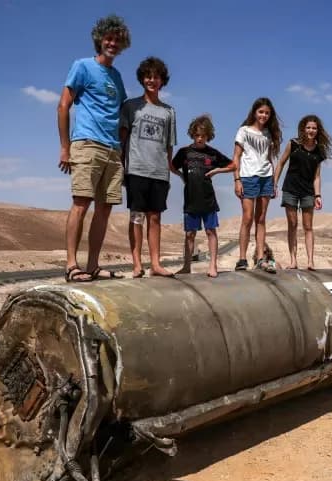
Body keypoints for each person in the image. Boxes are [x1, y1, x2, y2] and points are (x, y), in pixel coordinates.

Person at [57, 14, 130, 282]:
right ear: (100, 40)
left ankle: (93, 265)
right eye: (109, 38)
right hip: (87, 143)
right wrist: (65, 148)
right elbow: (63, 105)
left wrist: (122, 152)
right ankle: (71, 265)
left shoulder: (117, 77)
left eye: (117, 40)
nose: (112, 44)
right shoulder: (83, 66)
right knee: (81, 203)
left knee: (105, 209)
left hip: (113, 149)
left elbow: (121, 114)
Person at [119, 57, 178, 278]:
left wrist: (168, 171)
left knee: (155, 217)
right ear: (142, 79)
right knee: (137, 217)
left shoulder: (169, 111)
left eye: (156, 77)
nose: (152, 80)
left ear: (162, 80)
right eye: (148, 76)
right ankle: (137, 264)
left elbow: (169, 144)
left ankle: (155, 264)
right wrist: (121, 167)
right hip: (136, 169)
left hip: (159, 172)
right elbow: (122, 139)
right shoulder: (130, 106)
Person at [171, 115, 236, 278]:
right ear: (192, 134)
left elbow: (233, 165)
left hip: (208, 199)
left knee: (210, 231)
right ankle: (186, 266)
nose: (200, 138)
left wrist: (217, 170)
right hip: (191, 199)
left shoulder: (212, 153)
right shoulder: (184, 152)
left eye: (203, 135)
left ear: (208, 136)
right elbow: (171, 166)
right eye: (197, 135)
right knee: (189, 234)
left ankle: (213, 265)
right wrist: (181, 175)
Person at [273, 114, 332, 270]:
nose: (311, 130)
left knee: (308, 226)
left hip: (308, 192)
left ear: (317, 130)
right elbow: (281, 163)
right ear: (303, 128)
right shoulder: (293, 144)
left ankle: (310, 261)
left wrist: (318, 195)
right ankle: (293, 261)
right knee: (292, 224)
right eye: (308, 127)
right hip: (290, 189)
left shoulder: (319, 151)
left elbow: (317, 176)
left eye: (314, 128)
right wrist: (274, 183)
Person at [233, 97, 282, 273]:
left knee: (261, 219)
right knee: (247, 218)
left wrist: (273, 183)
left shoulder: (269, 134)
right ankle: (242, 259)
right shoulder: (244, 131)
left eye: (267, 113)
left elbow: (269, 158)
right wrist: (237, 180)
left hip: (266, 178)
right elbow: (236, 157)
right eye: (261, 112)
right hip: (248, 177)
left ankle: (261, 258)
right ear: (254, 112)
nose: (264, 115)